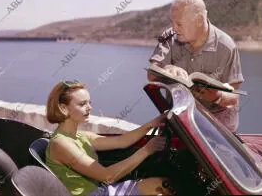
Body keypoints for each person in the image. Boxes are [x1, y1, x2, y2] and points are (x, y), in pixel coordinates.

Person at [45, 80, 176, 196]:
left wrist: (152, 123)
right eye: (82, 104)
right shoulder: (61, 143)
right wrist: (147, 150)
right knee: (162, 188)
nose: (89, 107)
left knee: (164, 185)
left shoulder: (80, 136)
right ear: (63, 108)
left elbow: (122, 141)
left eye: (89, 103)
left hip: (102, 190)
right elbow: (107, 176)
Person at [148, 0, 245, 133]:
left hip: (218, 133)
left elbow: (234, 95)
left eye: (179, 24)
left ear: (199, 20)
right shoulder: (169, 38)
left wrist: (218, 97)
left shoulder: (226, 46)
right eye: (172, 22)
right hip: (179, 125)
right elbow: (151, 74)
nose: (174, 28)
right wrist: (167, 68)